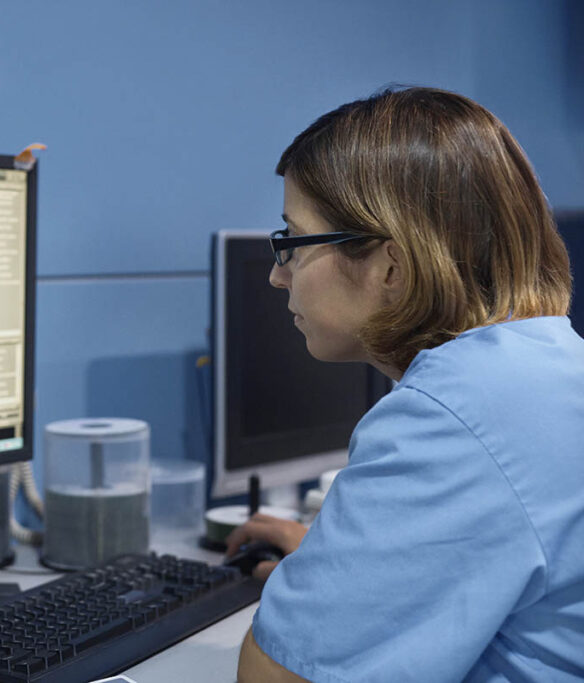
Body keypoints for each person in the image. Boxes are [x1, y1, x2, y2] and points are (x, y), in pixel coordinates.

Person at [229, 87, 584, 682]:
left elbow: (276, 677)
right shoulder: (548, 365)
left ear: (390, 265)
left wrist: (317, 593)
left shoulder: (453, 416)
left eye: (291, 242)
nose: (276, 274)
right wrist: (339, 564)